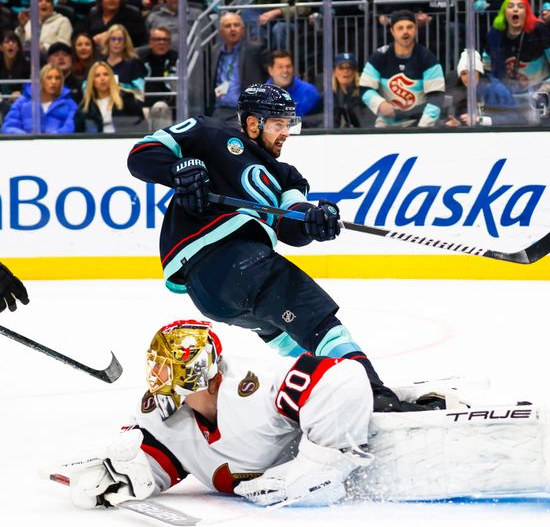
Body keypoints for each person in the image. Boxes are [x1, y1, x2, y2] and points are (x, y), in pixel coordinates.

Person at [62, 319, 550, 508]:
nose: (159, 386)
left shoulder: (254, 385)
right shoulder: (170, 418)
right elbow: (158, 457)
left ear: (200, 373)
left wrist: (320, 463)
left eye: (170, 373)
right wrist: (121, 473)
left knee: (410, 420)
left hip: (341, 444)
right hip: (310, 460)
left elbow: (341, 378)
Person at [127, 83, 424, 413]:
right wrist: (178, 170)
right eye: (278, 124)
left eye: (289, 125)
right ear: (253, 123)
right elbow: (142, 154)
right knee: (318, 320)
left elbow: (291, 225)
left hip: (220, 293)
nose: (286, 133)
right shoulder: (208, 132)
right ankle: (371, 395)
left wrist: (315, 219)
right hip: (229, 260)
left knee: (293, 337)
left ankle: (333, 389)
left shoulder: (287, 177)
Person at [484, 0, 550, 125]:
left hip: (537, 94)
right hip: (506, 98)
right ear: (504, 12)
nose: (515, 9)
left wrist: (549, 85)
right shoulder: (495, 35)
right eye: (510, 6)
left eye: (520, 6)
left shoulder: (540, 30)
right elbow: (487, 67)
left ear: (527, 12)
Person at [360, 10, 445, 128]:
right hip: (386, 123)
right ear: (392, 31)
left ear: (415, 30)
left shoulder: (428, 58)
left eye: (409, 27)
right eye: (400, 28)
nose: (405, 32)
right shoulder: (379, 56)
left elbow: (436, 98)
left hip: (418, 123)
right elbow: (365, 88)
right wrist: (380, 104)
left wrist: (422, 129)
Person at [208, 12, 265, 126]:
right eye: (228, 26)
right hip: (219, 110)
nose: (232, 29)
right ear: (221, 31)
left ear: (243, 29)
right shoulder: (214, 51)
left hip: (245, 111)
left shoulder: (255, 49)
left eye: (236, 25)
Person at [1, 62, 78, 134]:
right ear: (41, 80)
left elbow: (69, 128)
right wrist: (28, 139)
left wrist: (47, 140)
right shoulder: (22, 102)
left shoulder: (69, 104)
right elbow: (8, 126)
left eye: (57, 78)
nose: (54, 82)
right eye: (49, 78)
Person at [74, 60, 145, 133]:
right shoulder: (85, 107)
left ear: (111, 77)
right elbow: (79, 131)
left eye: (106, 74)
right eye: (97, 75)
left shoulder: (126, 98)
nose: (102, 78)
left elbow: (140, 123)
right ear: (92, 81)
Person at [265, 49, 319, 119]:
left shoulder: (309, 92)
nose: (285, 70)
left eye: (288, 66)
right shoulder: (261, 95)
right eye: (280, 67)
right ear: (270, 70)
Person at [102, 23, 146, 101]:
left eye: (120, 39)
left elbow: (139, 90)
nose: (116, 42)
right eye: (113, 39)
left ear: (125, 43)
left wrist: (119, 87)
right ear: (107, 42)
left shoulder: (134, 63)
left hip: (128, 105)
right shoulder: (101, 63)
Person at [331, 52, 373, 128]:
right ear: (334, 72)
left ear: (355, 71)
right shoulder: (328, 96)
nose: (346, 71)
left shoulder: (365, 93)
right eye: (341, 67)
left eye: (350, 67)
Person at [0, 31, 30, 119]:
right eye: (7, 42)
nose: (10, 44)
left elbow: (32, 87)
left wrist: (22, 93)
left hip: (22, 102)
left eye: (13, 42)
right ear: (1, 47)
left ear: (18, 47)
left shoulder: (27, 65)